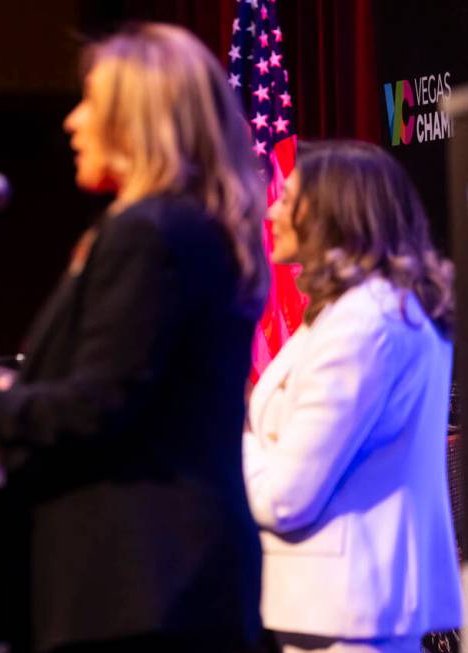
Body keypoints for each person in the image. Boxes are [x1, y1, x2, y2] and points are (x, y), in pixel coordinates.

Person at [0, 23, 268, 653]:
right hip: (166, 581)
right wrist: (12, 387)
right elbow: (141, 393)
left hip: (144, 588)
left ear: (135, 118)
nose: (74, 122)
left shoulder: (150, 233)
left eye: (90, 102)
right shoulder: (183, 224)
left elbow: (92, 410)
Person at [242, 141, 462, 653]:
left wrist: (235, 428)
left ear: (335, 212)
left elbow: (286, 498)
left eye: (288, 198)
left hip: (353, 614)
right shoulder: (349, 312)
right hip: (328, 607)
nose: (270, 209)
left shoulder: (366, 323)